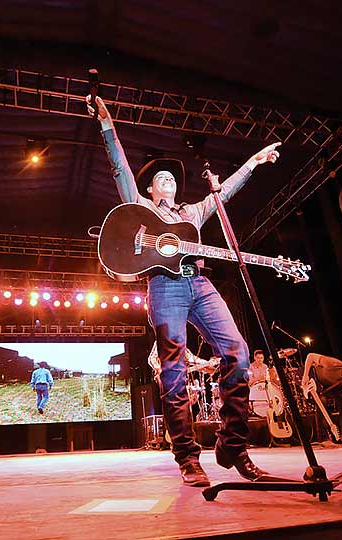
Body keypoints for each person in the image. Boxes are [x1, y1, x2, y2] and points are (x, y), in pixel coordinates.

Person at [88, 94, 282, 486]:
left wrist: (252, 164)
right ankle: (187, 457)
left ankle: (233, 444)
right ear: (151, 189)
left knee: (238, 352)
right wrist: (107, 125)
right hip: (164, 287)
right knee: (174, 369)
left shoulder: (191, 214)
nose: (169, 181)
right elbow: (120, 170)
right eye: (161, 178)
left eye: (173, 178)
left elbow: (222, 193)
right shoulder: (141, 208)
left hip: (199, 281)